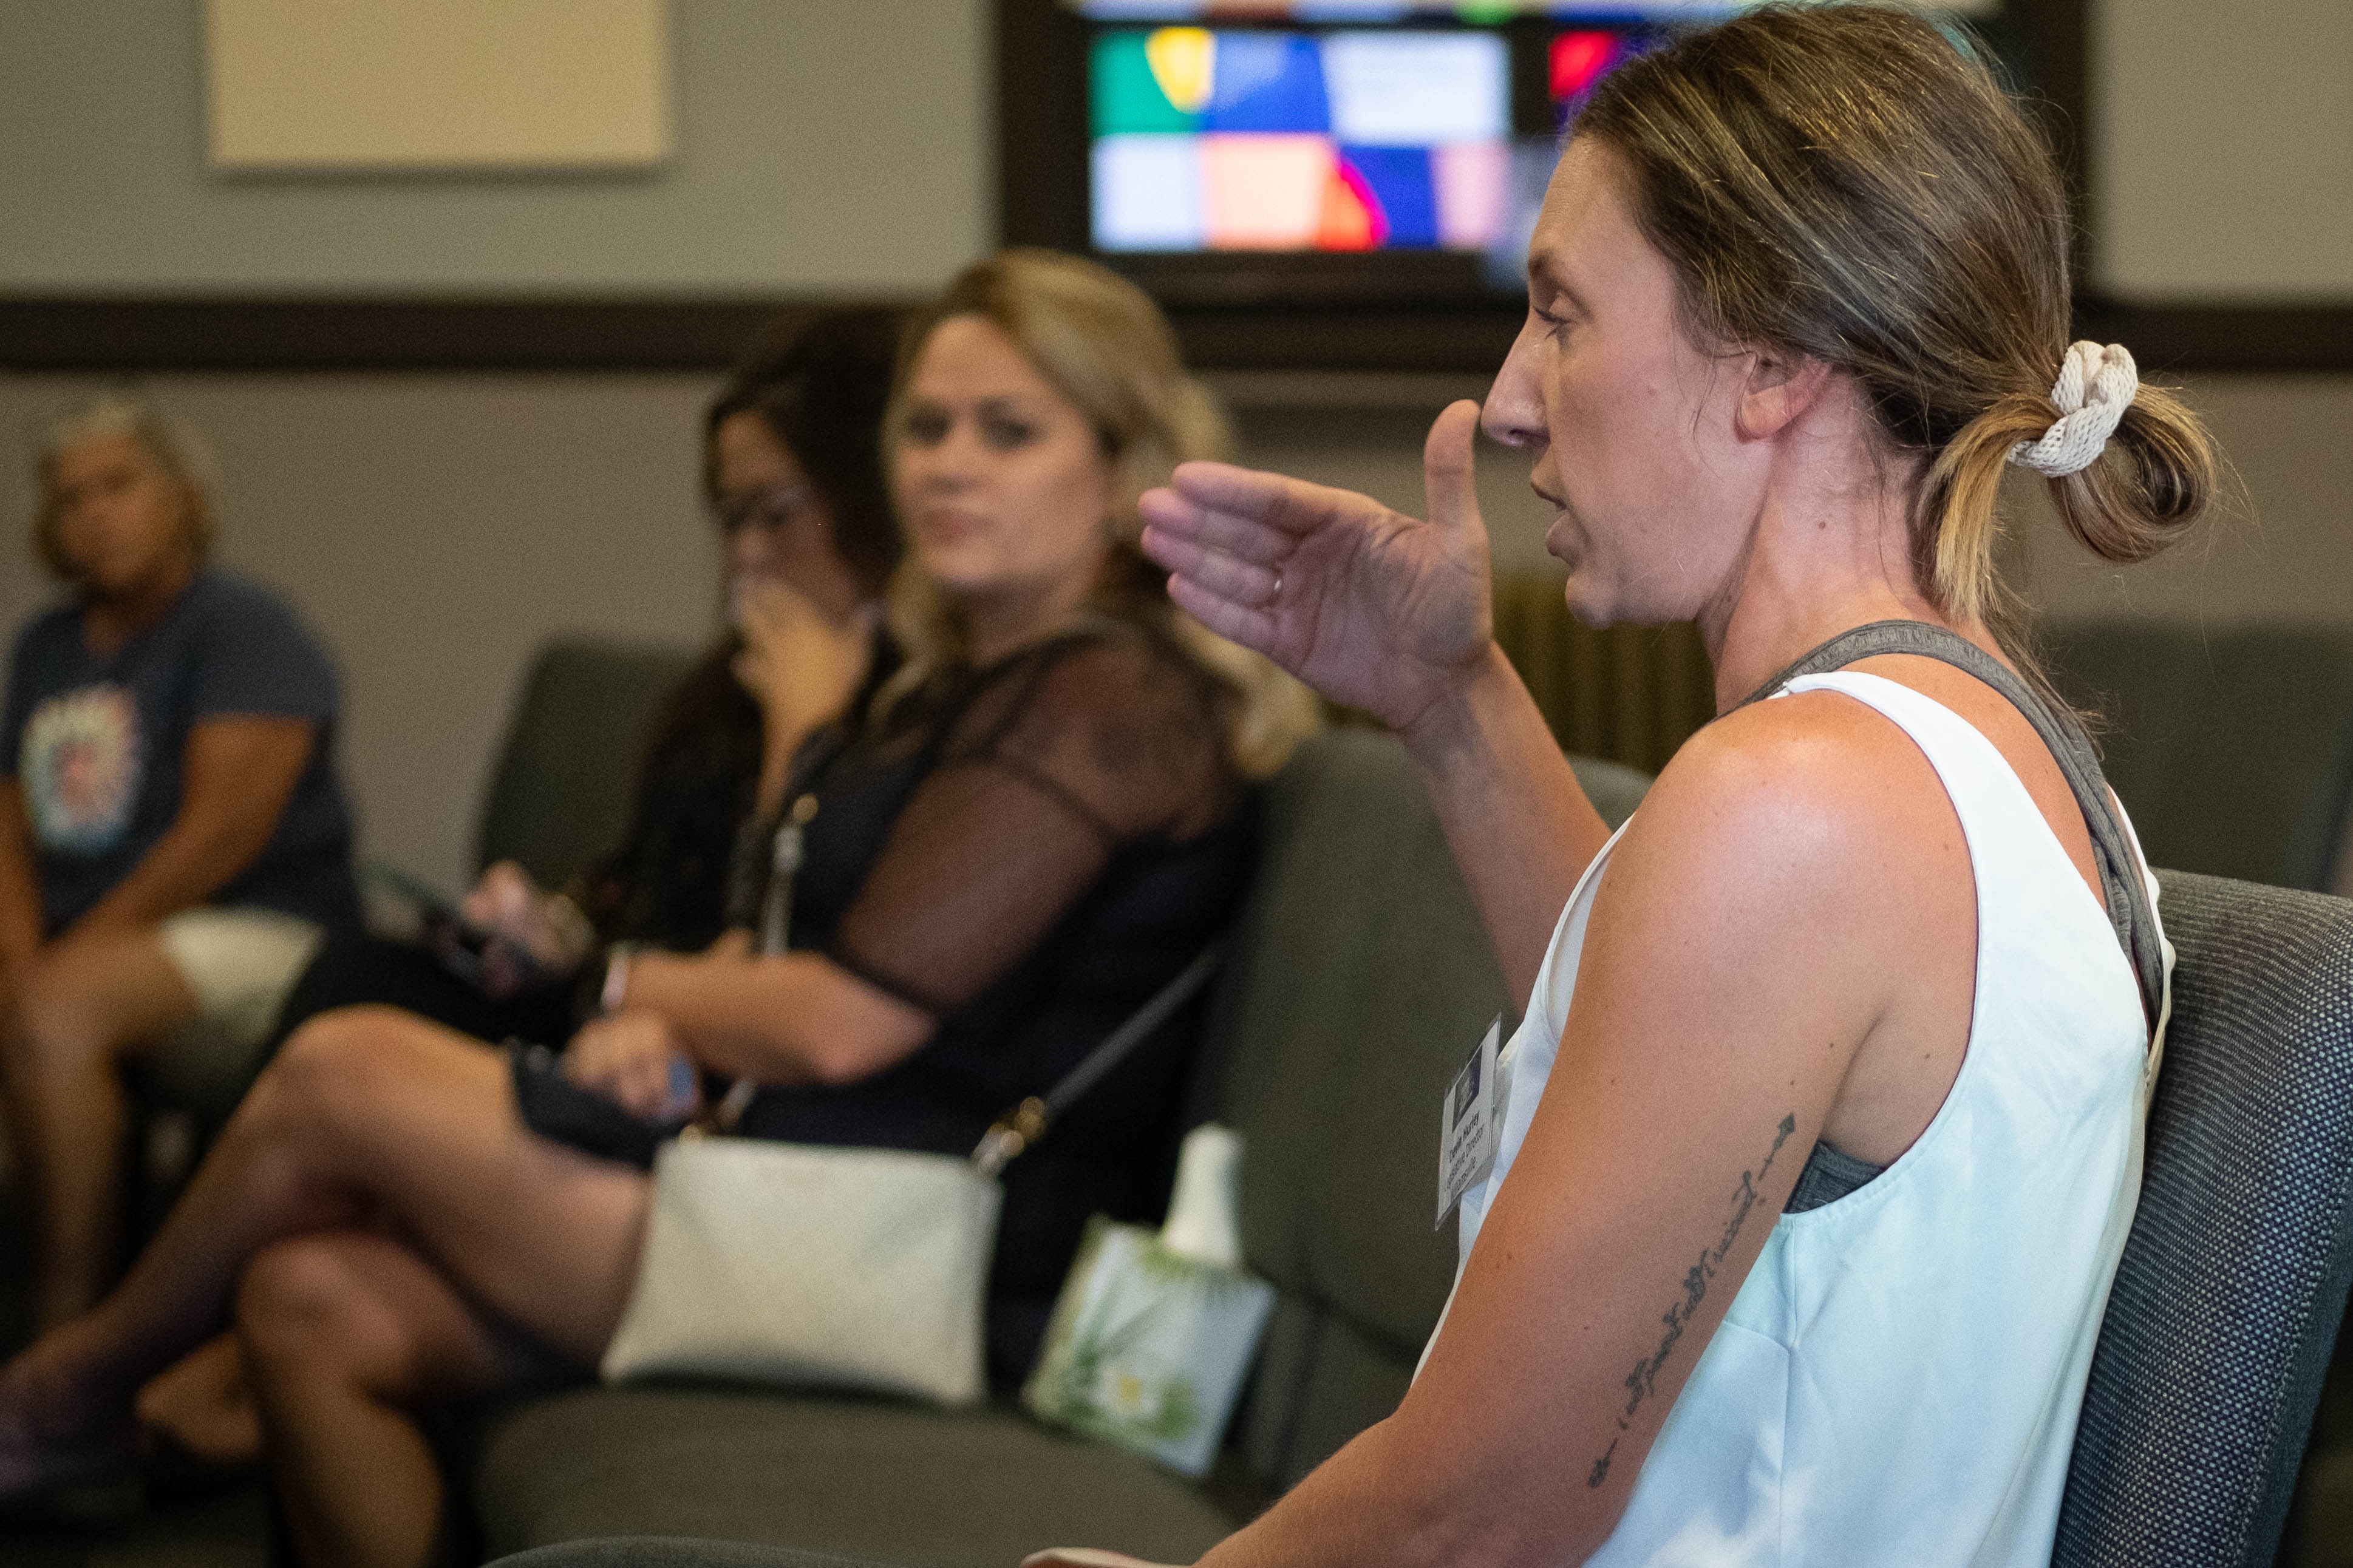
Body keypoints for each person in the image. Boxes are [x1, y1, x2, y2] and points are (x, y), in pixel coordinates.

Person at [1030, 7, 2215, 1566]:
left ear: (1772, 362)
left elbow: (1480, 1506)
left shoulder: (1805, 801)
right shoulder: (1964, 758)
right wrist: (1449, 698)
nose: (1511, 398)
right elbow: (1682, 1068)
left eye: (1563, 315)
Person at [0, 248, 1316, 1568]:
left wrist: (623, 986)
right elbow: (795, 952)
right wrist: (669, 1023)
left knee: (343, 1069)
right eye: (927, 428)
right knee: (309, 1302)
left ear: (1122, 466)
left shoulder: (1101, 699)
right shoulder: (970, 682)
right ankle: (84, 1402)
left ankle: (69, 1394)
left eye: (1009, 431)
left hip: (941, 1260)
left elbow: (840, 1021)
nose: (950, 465)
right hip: (812, 1183)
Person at [127, 305, 912, 1475]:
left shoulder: (907, 713)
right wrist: (559, 926)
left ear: (866, 503)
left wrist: (802, 738)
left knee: (360, 1055)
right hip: (633, 1007)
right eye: (728, 518)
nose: (745, 556)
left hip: (724, 1076)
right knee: (373, 971)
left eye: (775, 511)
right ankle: (207, 1350)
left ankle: (136, 1368)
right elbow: (647, 884)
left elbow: (796, 951)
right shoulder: (727, 691)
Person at [0, 394, 358, 1332]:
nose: (95, 514)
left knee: (56, 1008)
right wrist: (19, 946)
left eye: (119, 486)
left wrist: (62, 961)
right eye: (70, 497)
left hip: (255, 926)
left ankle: (65, 1333)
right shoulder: (45, 649)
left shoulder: (244, 629)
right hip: (87, 940)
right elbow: (10, 822)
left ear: (184, 499)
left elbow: (220, 839)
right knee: (39, 993)